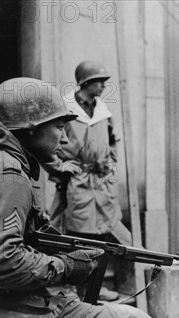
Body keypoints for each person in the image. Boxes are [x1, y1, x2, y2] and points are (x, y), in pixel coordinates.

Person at [0, 77, 157, 318]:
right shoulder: (9, 175)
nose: (63, 139)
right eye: (60, 127)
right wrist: (66, 266)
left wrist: (58, 251)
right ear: (30, 128)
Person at [44, 61, 126, 301]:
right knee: (73, 234)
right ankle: (72, 288)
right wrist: (61, 169)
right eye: (99, 81)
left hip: (101, 181)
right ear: (86, 83)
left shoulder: (103, 111)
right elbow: (49, 146)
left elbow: (112, 143)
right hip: (76, 181)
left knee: (102, 233)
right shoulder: (65, 109)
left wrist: (111, 170)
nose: (103, 85)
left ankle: (95, 287)